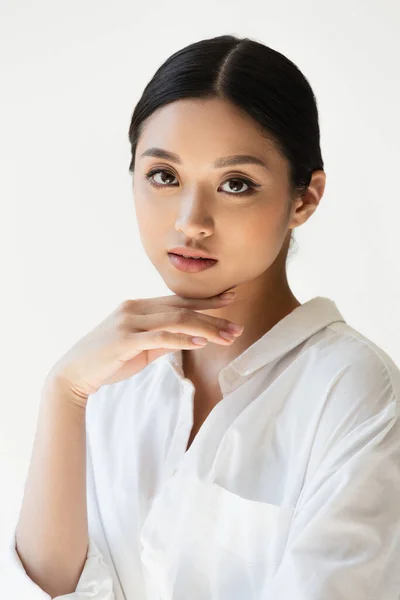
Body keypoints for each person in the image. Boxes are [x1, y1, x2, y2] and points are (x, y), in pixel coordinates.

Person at [2, 34, 399, 600]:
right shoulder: (110, 382)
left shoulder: (354, 391)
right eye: (164, 176)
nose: (191, 221)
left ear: (304, 199)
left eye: (236, 184)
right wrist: (63, 393)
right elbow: (45, 589)